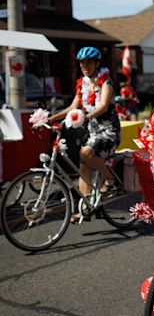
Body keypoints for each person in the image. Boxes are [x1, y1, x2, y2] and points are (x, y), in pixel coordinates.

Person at [48, 46, 121, 223]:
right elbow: (73, 107)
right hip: (93, 131)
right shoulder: (83, 84)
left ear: (97, 63)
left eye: (88, 62)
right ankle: (85, 207)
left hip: (108, 131)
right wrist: (51, 118)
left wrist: (86, 116)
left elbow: (103, 105)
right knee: (83, 165)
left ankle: (111, 181)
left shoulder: (106, 82)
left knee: (85, 153)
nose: (84, 66)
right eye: (82, 63)